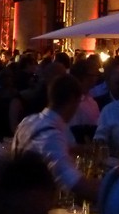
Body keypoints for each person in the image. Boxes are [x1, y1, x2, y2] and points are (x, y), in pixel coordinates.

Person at [12, 74, 99, 202]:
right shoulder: (52, 135)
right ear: (72, 99)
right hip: (34, 205)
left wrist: (75, 149)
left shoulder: (28, 121)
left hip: (15, 196)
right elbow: (76, 184)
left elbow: (41, 151)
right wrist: (113, 190)